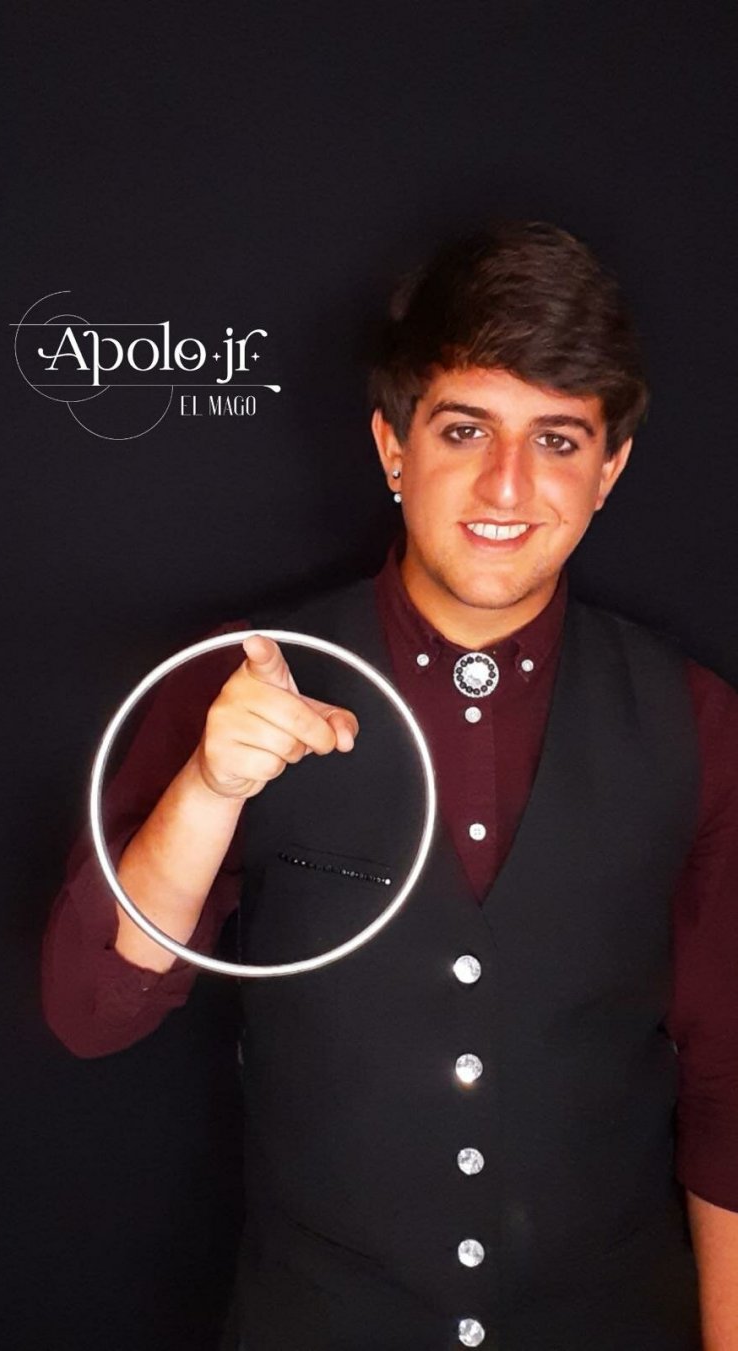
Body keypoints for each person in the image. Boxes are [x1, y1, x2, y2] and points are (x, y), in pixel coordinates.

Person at [42, 221, 738, 1351]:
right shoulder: (239, 681)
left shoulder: (698, 721)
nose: (507, 484)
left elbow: (731, 1091)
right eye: (465, 429)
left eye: (557, 440)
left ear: (608, 471)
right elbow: (89, 1011)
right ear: (391, 447)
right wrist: (208, 788)